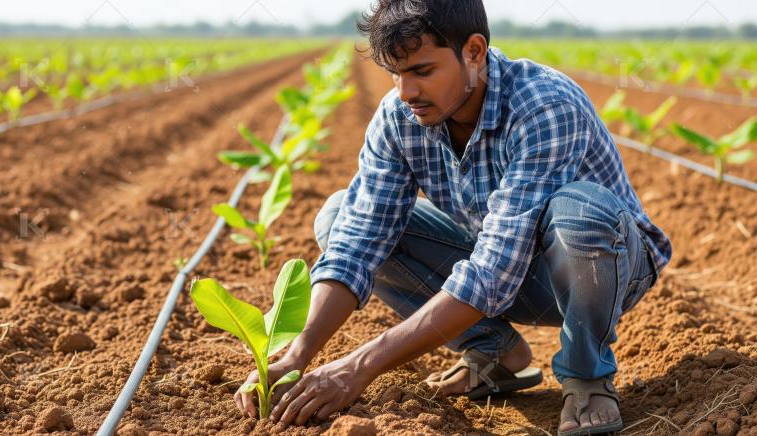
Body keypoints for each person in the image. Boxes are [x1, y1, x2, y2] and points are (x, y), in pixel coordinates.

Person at [235, 1, 671, 434]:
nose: (406, 93)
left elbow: (495, 271)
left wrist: (358, 366)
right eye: (396, 73)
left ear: (475, 52)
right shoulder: (398, 118)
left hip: (602, 268)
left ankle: (587, 377)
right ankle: (495, 351)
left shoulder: (544, 105)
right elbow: (357, 243)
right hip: (507, 268)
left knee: (580, 209)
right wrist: (297, 354)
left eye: (422, 72)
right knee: (338, 218)